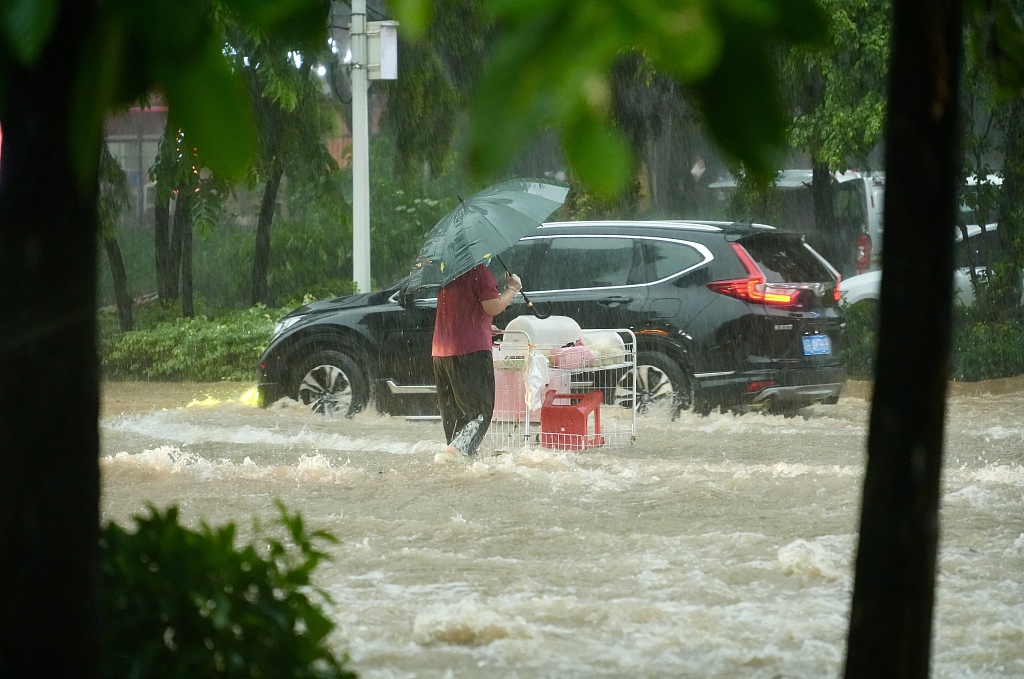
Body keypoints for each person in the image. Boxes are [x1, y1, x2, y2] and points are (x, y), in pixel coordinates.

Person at [432, 263, 522, 461]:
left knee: (454, 413)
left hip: (441, 351)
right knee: (480, 411)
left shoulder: (449, 272)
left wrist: (484, 327)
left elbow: (460, 311)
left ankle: (457, 455)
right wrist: (512, 289)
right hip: (470, 351)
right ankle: (460, 451)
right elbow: (493, 306)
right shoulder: (478, 271)